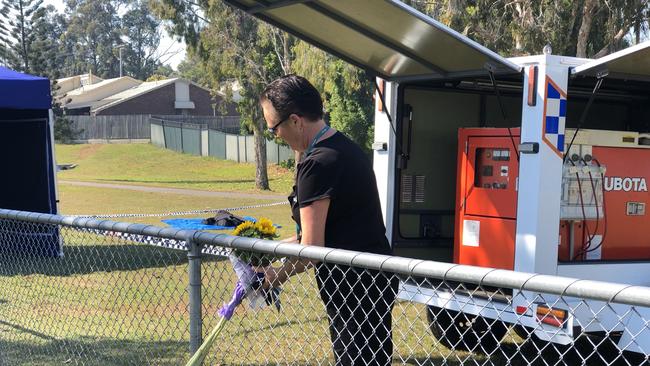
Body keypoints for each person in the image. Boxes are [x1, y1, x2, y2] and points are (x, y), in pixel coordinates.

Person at [259, 74, 398, 366]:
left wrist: (273, 277)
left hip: (352, 291)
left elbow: (311, 249)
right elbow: (327, 230)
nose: (276, 135)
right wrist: (266, 250)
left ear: (295, 120)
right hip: (373, 282)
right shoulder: (343, 148)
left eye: (274, 127)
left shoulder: (317, 164)